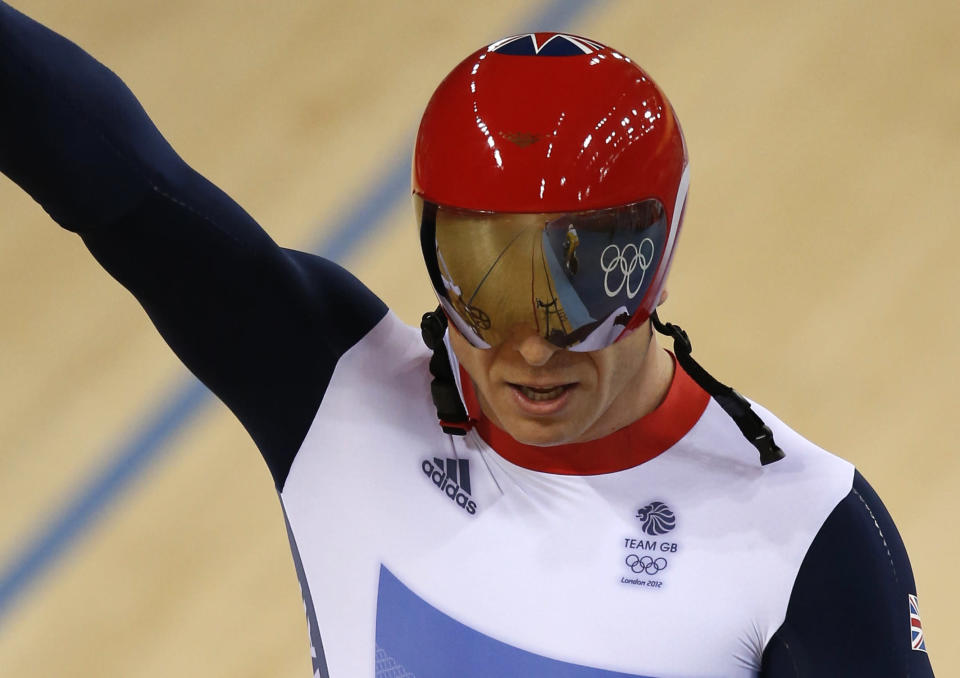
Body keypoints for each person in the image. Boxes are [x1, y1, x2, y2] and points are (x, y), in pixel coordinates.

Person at [0, 5, 935, 676]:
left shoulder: (810, 535)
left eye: (576, 292)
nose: (531, 350)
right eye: (484, 289)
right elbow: (99, 169)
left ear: (653, 260)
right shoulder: (333, 385)